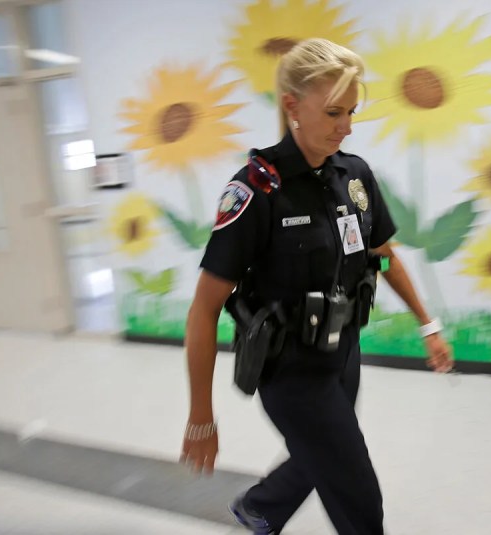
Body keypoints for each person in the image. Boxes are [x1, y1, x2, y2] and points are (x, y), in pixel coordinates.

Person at [179, 38, 453, 535]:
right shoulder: (256, 190)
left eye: (350, 112)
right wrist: (202, 415)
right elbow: (203, 310)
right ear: (292, 107)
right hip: (289, 371)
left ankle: (262, 506)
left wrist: (428, 324)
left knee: (321, 452)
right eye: (333, 113)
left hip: (343, 354)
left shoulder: (354, 175)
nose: (345, 127)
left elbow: (383, 258)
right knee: (358, 495)